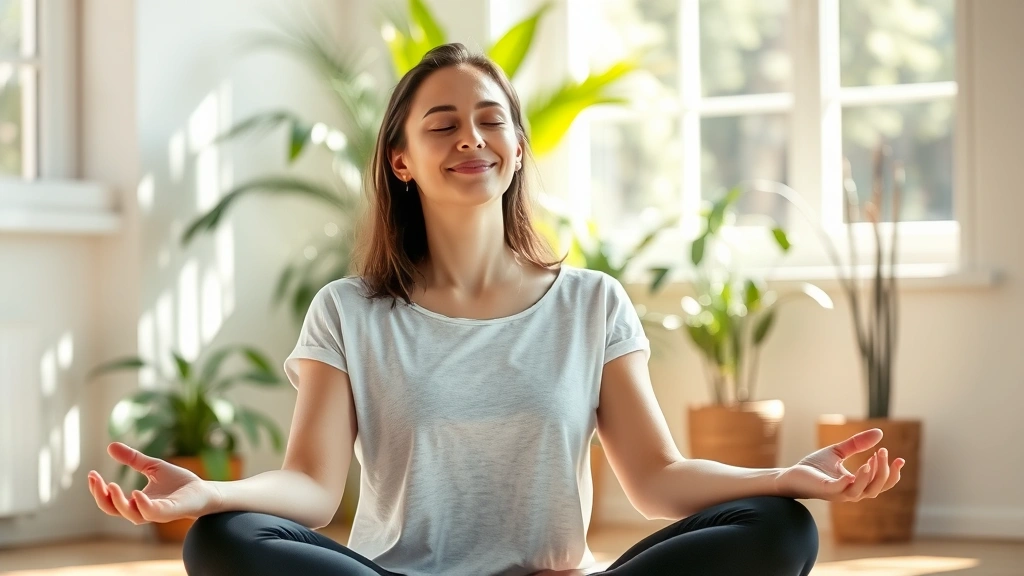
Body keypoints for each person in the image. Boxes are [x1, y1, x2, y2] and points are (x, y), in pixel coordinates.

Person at [87, 43, 906, 576]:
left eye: (491, 120)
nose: (472, 138)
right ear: (401, 161)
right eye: (443, 125)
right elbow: (310, 485)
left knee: (782, 528)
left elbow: (657, 481)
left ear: (515, 148)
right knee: (222, 545)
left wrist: (783, 476)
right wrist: (210, 496)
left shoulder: (590, 303)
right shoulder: (349, 312)